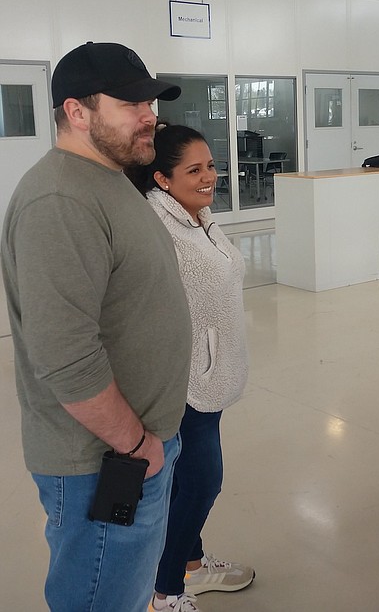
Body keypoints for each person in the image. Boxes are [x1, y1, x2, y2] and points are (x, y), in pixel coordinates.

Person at [0, 42, 192, 611]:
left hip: (135, 449)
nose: (149, 114)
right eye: (131, 102)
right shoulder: (59, 198)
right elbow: (64, 356)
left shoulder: (109, 178)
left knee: (125, 594)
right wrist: (137, 446)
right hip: (102, 461)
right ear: (76, 112)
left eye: (150, 100)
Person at [127, 124, 255, 612]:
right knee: (201, 481)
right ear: (161, 178)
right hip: (184, 381)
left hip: (212, 370)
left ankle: (192, 565)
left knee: (190, 479)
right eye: (194, 169)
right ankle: (164, 591)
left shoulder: (196, 215)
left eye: (211, 165)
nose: (209, 177)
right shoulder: (155, 226)